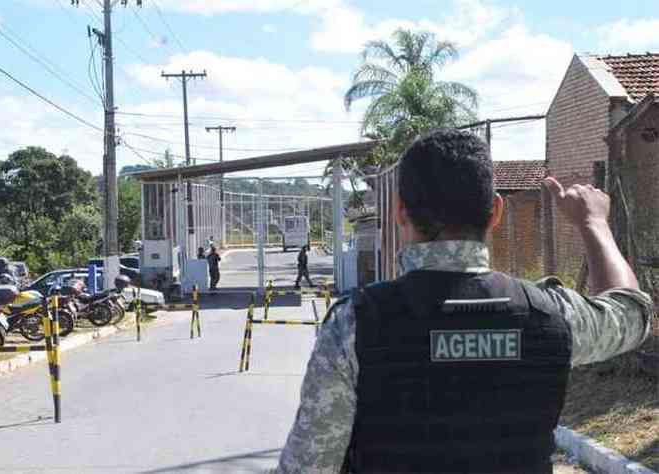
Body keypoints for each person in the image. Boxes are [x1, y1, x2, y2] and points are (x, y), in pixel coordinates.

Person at [276, 129, 653, 474]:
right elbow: (631, 312)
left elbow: (308, 467)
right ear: (496, 212)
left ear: (400, 212)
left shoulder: (353, 325)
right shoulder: (550, 314)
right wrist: (593, 224)